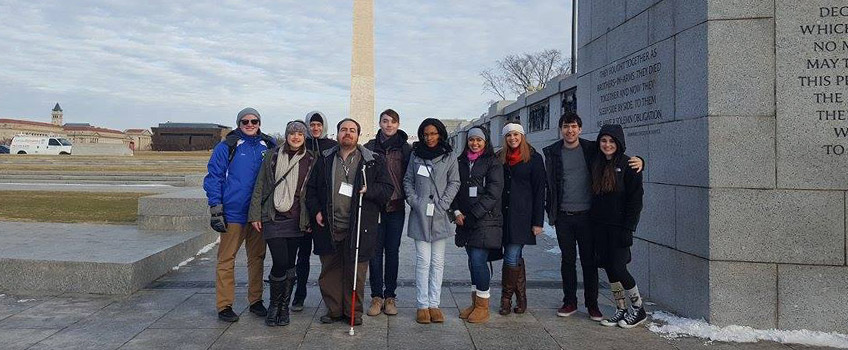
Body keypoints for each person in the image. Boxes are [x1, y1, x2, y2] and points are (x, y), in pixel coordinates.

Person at [542, 112, 644, 320]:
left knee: (589, 262)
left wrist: (640, 160)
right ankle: (569, 302)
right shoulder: (552, 153)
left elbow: (616, 158)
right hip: (563, 216)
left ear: (580, 129)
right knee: (567, 261)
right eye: (565, 126)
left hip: (588, 217)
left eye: (573, 126)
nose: (569, 130)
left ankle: (592, 305)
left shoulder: (591, 149)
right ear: (560, 129)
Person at [305, 118, 394, 326]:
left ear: (358, 135)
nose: (347, 133)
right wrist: (316, 211)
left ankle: (353, 311)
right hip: (329, 224)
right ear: (337, 134)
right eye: (343, 129)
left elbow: (387, 189)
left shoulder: (373, 160)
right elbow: (311, 190)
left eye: (352, 130)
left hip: (360, 226)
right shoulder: (325, 159)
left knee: (356, 273)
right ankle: (334, 310)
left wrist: (368, 190)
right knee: (330, 271)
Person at [203, 107, 276, 322]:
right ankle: (224, 304)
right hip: (233, 213)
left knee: (257, 258)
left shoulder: (269, 145)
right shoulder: (228, 146)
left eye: (254, 121)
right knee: (226, 259)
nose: (250, 125)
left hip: (258, 215)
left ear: (259, 123)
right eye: (245, 122)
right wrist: (216, 207)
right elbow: (214, 176)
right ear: (239, 124)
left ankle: (256, 300)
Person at [248, 120, 317, 326]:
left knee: (290, 263)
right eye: (292, 134)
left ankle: (283, 308)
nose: (296, 137)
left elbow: (313, 191)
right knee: (280, 261)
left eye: (300, 134)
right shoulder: (273, 155)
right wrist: (255, 215)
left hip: (297, 219)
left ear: (304, 137)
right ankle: (274, 305)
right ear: (287, 136)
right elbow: (260, 185)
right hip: (273, 216)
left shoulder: (311, 159)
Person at [404, 118, 460, 324]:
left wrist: (443, 204)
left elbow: (455, 182)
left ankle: (434, 303)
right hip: (420, 214)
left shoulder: (449, 156)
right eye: (426, 134)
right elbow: (407, 181)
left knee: (437, 262)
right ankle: (422, 304)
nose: (429, 138)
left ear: (440, 134)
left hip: (440, 214)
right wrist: (415, 202)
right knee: (422, 261)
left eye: (433, 133)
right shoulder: (415, 155)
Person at [589, 124, 645, 328]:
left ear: (619, 143)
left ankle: (638, 309)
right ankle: (620, 308)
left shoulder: (630, 164)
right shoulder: (596, 162)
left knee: (619, 268)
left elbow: (635, 200)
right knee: (609, 269)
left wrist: (629, 228)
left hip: (620, 228)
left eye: (612, 141)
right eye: (604, 140)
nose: (607, 145)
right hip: (600, 227)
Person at [451, 126, 503, 324]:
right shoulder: (460, 162)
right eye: (472, 140)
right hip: (465, 220)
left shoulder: (492, 163)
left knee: (479, 260)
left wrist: (474, 215)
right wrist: (456, 212)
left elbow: (493, 192)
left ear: (485, 142)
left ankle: (483, 305)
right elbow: (454, 187)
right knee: (472, 262)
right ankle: (475, 303)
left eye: (479, 140)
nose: (475, 143)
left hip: (485, 221)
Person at [363, 109, 412, 317]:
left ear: (398, 124)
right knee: (374, 252)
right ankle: (376, 296)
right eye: (385, 121)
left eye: (392, 122)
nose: (389, 125)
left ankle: (390, 295)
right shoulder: (369, 147)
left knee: (392, 252)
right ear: (380, 123)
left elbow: (410, 176)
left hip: (396, 206)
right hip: (375, 206)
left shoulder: (406, 148)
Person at [290, 110, 339, 311]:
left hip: (322, 209)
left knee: (327, 257)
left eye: (319, 125)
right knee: (301, 256)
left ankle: (332, 299)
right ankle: (299, 295)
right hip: (301, 209)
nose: (316, 128)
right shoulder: (301, 145)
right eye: (312, 125)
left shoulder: (332, 147)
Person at [497, 123, 545, 316]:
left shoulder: (534, 159)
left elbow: (540, 191)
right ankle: (522, 298)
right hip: (502, 215)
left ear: (522, 136)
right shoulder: (499, 157)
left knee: (510, 255)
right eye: (508, 135)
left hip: (522, 216)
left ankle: (506, 299)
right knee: (514, 257)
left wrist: (538, 221)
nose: (512, 138)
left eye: (516, 134)